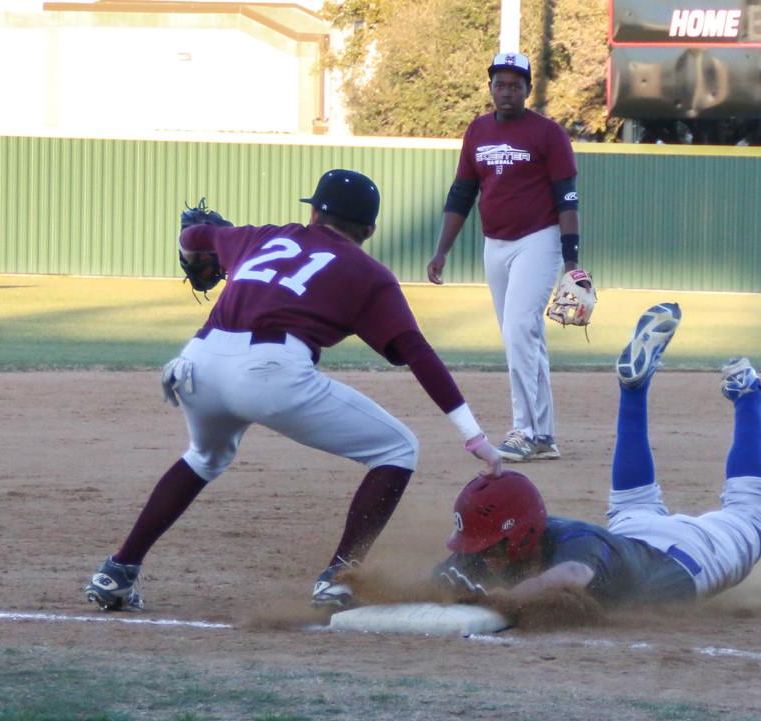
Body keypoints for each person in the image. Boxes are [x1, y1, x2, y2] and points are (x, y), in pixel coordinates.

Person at [84, 168, 502, 612]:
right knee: (397, 450)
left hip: (196, 364)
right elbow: (415, 352)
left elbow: (193, 236)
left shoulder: (262, 236)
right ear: (370, 230)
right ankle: (340, 575)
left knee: (204, 457)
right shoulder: (368, 272)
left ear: (316, 212)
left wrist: (194, 249)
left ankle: (117, 570)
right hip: (269, 371)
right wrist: (472, 436)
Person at [436, 302, 761, 610]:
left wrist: (503, 602)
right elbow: (438, 578)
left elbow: (571, 574)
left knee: (751, 513)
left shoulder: (580, 545)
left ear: (519, 537)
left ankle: (747, 393)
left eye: (489, 548)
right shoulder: (501, 538)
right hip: (631, 536)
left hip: (693, 556)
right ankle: (634, 391)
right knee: (632, 505)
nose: (482, 555)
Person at [426, 51, 588, 463]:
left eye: (516, 84)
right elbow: (462, 193)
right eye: (500, 83)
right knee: (522, 336)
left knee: (519, 330)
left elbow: (566, 198)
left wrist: (571, 262)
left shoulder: (548, 134)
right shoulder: (477, 131)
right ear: (491, 87)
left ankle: (525, 430)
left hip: (539, 239)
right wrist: (441, 250)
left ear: (528, 89)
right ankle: (545, 434)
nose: (507, 90)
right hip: (494, 244)